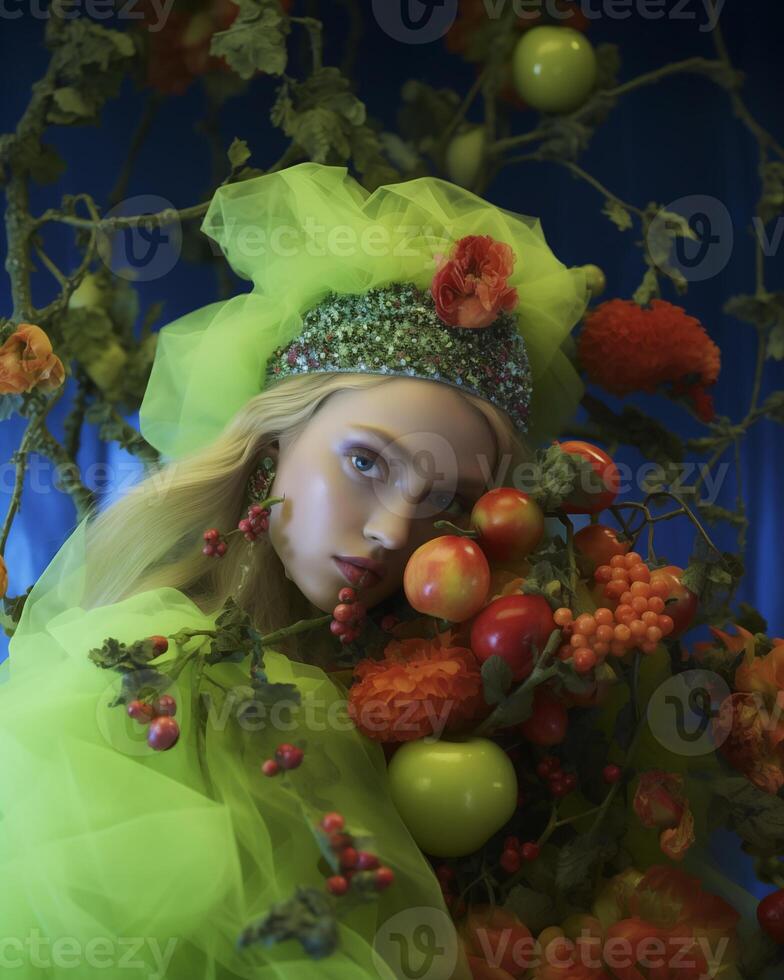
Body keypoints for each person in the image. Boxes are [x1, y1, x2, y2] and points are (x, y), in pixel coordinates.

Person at [0, 162, 588, 979]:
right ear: (274, 443)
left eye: (443, 500)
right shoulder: (151, 677)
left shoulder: (438, 683)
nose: (392, 533)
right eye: (366, 461)